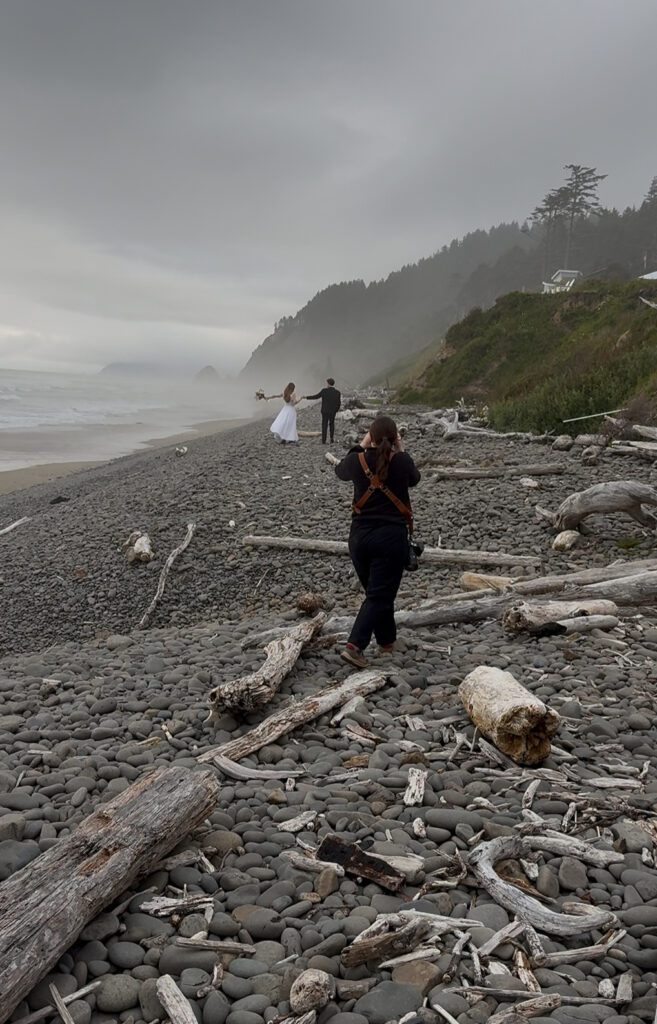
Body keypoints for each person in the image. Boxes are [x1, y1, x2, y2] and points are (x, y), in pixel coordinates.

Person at [335, 415, 420, 668]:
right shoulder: (402, 461)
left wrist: (362, 445)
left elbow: (339, 470)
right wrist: (401, 450)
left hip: (359, 538)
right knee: (379, 595)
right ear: (395, 439)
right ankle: (355, 646)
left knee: (377, 592)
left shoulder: (356, 460)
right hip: (390, 538)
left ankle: (386, 641)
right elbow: (414, 479)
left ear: (370, 437)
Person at [304, 377, 341, 443]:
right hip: (333, 411)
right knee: (332, 424)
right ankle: (331, 438)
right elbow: (338, 403)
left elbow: (316, 396)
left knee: (324, 424)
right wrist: (336, 410)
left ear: (328, 383)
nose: (326, 384)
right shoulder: (337, 392)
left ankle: (324, 440)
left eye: (326, 383)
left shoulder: (324, 391)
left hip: (325, 411)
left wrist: (306, 397)